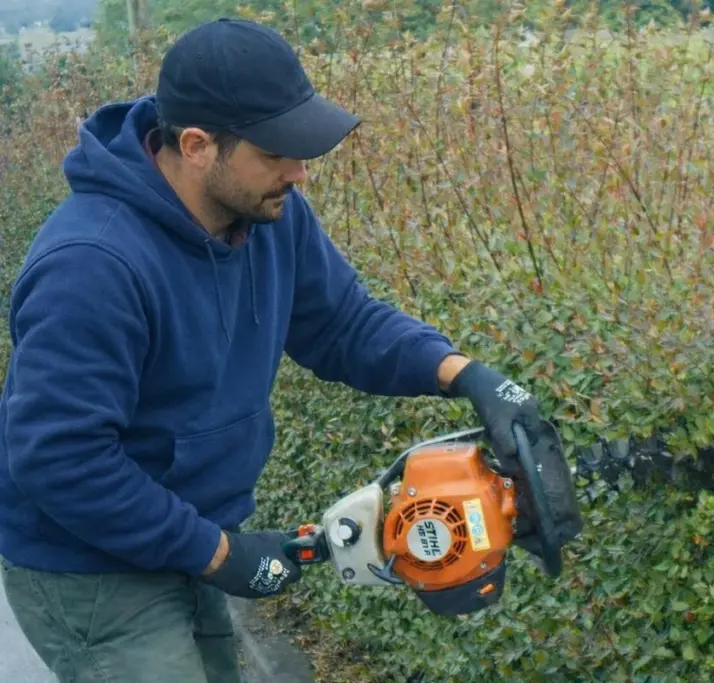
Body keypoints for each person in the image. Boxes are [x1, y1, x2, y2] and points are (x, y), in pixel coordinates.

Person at [0, 17, 547, 683]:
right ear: (198, 146)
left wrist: (468, 376)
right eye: (276, 152)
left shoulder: (265, 213)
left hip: (180, 530)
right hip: (87, 565)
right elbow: (61, 459)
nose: (299, 173)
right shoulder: (92, 265)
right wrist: (216, 551)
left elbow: (341, 323)